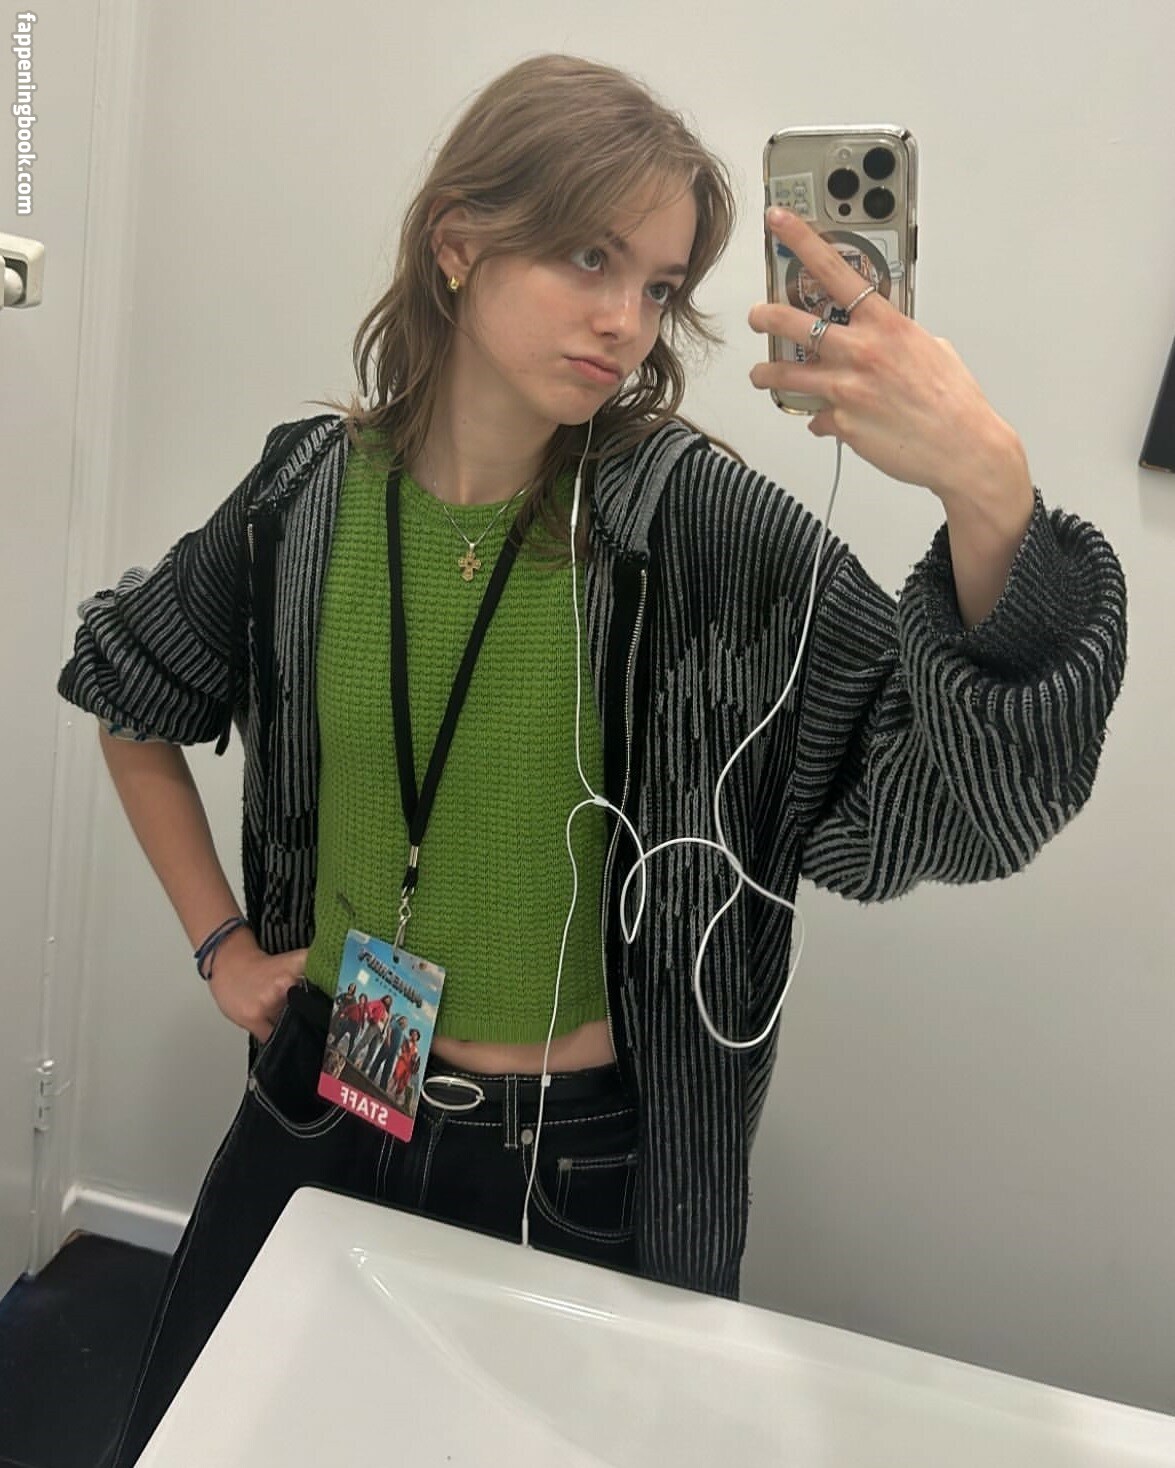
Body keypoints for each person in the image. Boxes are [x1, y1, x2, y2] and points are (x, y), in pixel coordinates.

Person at [56, 53, 1126, 1467]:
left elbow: (958, 811)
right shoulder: (307, 494)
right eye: (587, 257)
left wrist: (986, 491)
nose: (627, 320)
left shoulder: (694, 528)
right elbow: (127, 684)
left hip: (572, 1168)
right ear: (458, 241)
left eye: (661, 285)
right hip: (328, 1090)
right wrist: (222, 946)